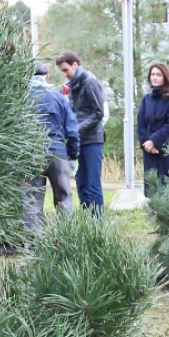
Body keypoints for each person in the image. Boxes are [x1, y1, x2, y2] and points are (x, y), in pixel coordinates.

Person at [24, 62, 79, 235]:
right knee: (64, 199)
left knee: (32, 201)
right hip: (57, 152)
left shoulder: (22, 97)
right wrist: (72, 154)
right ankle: (68, 238)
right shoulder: (58, 96)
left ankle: (33, 245)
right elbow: (72, 129)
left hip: (31, 154)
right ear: (47, 75)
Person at [57, 52, 106, 214]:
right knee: (81, 181)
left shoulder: (90, 82)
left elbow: (98, 113)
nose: (65, 74)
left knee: (93, 183)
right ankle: (87, 219)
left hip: (93, 140)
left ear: (75, 65)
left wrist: (77, 129)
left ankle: (97, 222)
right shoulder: (73, 86)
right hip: (80, 141)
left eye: (66, 70)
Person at [137, 62, 169, 199]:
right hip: (150, 152)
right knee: (153, 192)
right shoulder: (146, 99)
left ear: (165, 77)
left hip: (167, 151)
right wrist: (147, 144)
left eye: (158, 74)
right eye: (152, 74)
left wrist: (154, 141)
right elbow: (141, 124)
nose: (155, 77)